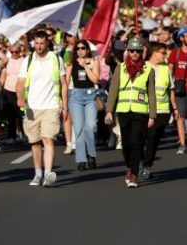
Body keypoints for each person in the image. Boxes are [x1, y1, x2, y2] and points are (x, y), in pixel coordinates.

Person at [16, 30, 69, 187]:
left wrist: (64, 105)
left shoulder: (56, 59)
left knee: (48, 139)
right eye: (36, 44)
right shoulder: (28, 60)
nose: (39, 47)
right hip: (32, 106)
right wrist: (20, 97)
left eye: (42, 43)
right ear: (34, 44)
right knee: (35, 142)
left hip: (51, 106)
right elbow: (20, 82)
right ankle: (37, 174)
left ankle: (48, 174)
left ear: (47, 43)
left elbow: (64, 83)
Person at [104, 37, 156, 188]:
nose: (134, 54)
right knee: (126, 144)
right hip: (123, 110)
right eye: (131, 51)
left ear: (142, 52)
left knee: (137, 142)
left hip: (141, 111)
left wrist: (152, 115)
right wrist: (109, 111)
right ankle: (130, 166)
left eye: (137, 51)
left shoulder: (148, 70)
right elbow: (113, 90)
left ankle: (133, 174)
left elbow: (151, 93)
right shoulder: (120, 68)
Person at [142, 42, 176, 180]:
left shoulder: (165, 69)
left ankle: (147, 166)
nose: (165, 55)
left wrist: (175, 108)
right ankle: (140, 162)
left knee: (154, 140)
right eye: (163, 52)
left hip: (162, 111)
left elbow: (170, 90)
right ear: (154, 52)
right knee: (142, 139)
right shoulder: (142, 67)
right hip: (144, 110)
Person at [66, 39, 100, 171]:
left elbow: (96, 79)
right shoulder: (70, 63)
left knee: (90, 126)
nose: (80, 50)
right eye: (78, 48)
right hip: (76, 96)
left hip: (91, 95)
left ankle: (91, 155)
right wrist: (63, 101)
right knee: (79, 129)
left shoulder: (93, 61)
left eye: (83, 48)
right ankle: (81, 158)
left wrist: (86, 66)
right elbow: (66, 81)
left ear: (87, 50)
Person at [0, 41, 25, 144]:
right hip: (8, 90)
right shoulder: (7, 61)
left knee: (21, 114)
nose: (14, 53)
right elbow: (3, 75)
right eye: (12, 52)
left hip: (20, 90)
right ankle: (11, 136)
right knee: (11, 115)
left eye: (16, 51)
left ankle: (24, 134)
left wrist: (25, 41)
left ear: (20, 51)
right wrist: (0, 88)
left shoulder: (24, 60)